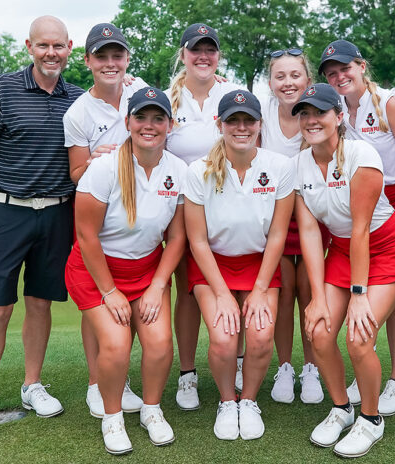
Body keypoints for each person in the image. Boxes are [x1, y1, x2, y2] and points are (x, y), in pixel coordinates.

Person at [0, 16, 83, 456]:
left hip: (57, 214)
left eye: (59, 46)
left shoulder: (78, 98)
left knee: (40, 302)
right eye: (43, 45)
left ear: (70, 48)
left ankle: (32, 384)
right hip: (6, 211)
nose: (51, 53)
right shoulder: (2, 88)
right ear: (29, 46)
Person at [292, 84, 395, 458]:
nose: (312, 120)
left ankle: (370, 418)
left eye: (321, 112)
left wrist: (359, 296)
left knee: (360, 336)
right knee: (318, 330)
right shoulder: (300, 163)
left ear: (339, 117)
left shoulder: (362, 154)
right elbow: (312, 231)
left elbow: (361, 227)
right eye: (305, 114)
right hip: (343, 251)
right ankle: (341, 407)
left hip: (386, 246)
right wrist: (316, 297)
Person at [65, 87, 186, 454]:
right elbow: (86, 236)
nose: (149, 125)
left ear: (170, 124)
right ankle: (112, 417)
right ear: (127, 122)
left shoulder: (179, 170)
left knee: (161, 344)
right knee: (116, 345)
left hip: (148, 270)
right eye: (141, 118)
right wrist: (109, 291)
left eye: (158, 118)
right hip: (96, 270)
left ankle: (151, 409)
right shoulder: (103, 167)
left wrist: (158, 286)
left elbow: (177, 238)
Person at [184, 90, 294, 440]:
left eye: (249, 120)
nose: (241, 127)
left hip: (259, 264)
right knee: (224, 339)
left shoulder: (279, 167)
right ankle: (227, 401)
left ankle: (248, 401)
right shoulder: (197, 170)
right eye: (233, 120)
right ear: (220, 124)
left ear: (260, 125)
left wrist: (260, 290)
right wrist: (223, 294)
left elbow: (278, 235)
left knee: (261, 338)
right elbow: (197, 241)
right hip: (211, 264)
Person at [319, 39, 395, 416]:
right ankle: (368, 368)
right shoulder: (337, 107)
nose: (339, 76)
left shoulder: (388, 101)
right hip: (356, 196)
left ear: (361, 66)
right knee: (379, 288)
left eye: (345, 68)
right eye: (331, 73)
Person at [62, 22, 145, 419]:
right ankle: (97, 381)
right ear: (88, 61)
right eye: (102, 57)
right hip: (100, 213)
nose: (110, 64)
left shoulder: (138, 88)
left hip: (139, 211)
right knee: (97, 300)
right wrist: (99, 159)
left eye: (117, 56)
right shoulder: (78, 112)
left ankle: (117, 377)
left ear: (127, 59)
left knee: (124, 302)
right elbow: (76, 172)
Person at [164, 23, 243, 411]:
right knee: (188, 290)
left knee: (234, 280)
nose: (203, 56)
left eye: (210, 50)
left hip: (229, 202)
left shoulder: (233, 93)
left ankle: (239, 360)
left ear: (218, 56)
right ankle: (187, 373)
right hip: (180, 207)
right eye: (196, 50)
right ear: (183, 55)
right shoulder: (168, 98)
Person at [259, 48, 325, 404]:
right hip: (275, 219)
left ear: (308, 79)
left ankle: (311, 368)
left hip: (314, 214)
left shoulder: (317, 112)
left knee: (310, 293)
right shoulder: (262, 112)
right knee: (283, 294)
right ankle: (285, 367)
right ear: (270, 83)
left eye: (295, 75)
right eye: (280, 76)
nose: (288, 83)